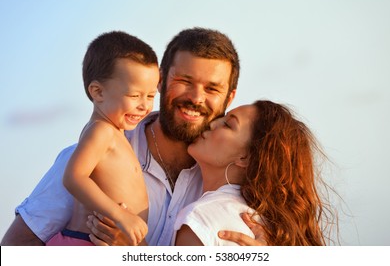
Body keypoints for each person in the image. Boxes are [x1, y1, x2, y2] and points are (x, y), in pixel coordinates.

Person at [1, 27, 260, 246]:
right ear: (161, 81)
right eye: (184, 80)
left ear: (230, 97)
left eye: (212, 88)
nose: (195, 97)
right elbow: (14, 249)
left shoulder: (226, 182)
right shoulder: (92, 158)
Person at [46, 31, 159, 246]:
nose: (144, 105)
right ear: (98, 92)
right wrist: (120, 215)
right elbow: (74, 177)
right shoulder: (101, 131)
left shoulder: (116, 134)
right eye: (135, 95)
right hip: (85, 242)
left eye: (151, 95)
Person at [174, 100, 338, 246]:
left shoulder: (201, 219)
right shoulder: (267, 226)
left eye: (228, 124)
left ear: (244, 157)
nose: (212, 124)